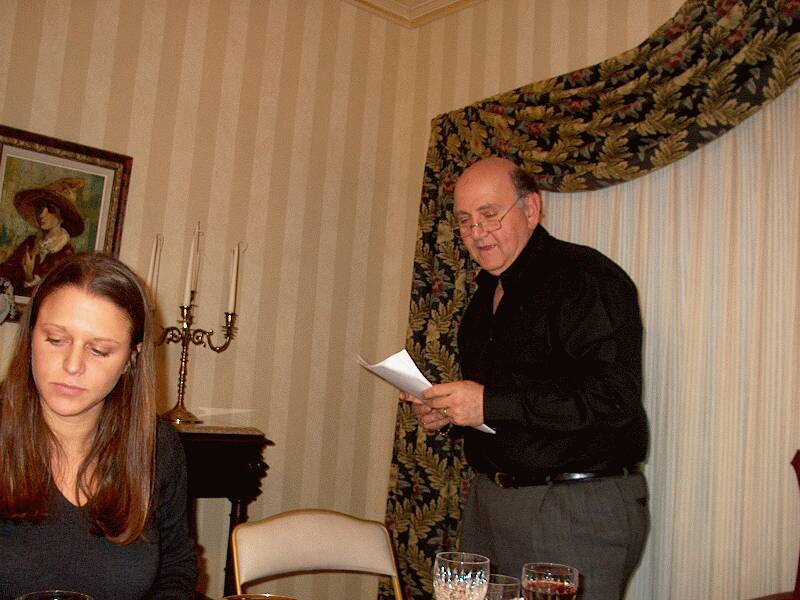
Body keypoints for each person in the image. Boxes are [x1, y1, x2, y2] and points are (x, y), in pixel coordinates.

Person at [403, 157, 649, 600]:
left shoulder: (585, 278)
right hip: (490, 502)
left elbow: (614, 397)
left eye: (489, 214)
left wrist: (487, 402)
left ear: (531, 209)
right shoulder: (485, 295)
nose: (477, 232)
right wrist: (452, 413)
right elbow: (507, 404)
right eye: (465, 220)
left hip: (573, 505)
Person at [0, 253, 197, 599]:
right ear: (30, 337)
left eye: (99, 350)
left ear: (130, 360)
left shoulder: (157, 447)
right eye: (56, 340)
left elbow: (175, 568)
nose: (72, 365)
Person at [0, 177, 86, 295]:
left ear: (62, 216)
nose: (41, 215)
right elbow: (6, 273)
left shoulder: (66, 254)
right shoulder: (31, 242)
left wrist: (30, 278)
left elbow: (52, 295)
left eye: (50, 209)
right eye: (40, 208)